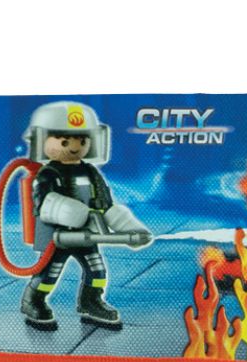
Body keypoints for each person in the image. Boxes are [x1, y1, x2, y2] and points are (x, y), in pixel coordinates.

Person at [20, 102, 152, 330]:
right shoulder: (48, 174)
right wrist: (69, 212)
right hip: (56, 237)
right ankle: (33, 301)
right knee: (49, 273)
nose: (74, 147)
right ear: (42, 141)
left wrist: (129, 228)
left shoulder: (91, 172)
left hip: (87, 235)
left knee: (97, 271)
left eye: (81, 140)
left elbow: (106, 205)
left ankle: (91, 302)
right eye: (64, 141)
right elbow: (43, 204)